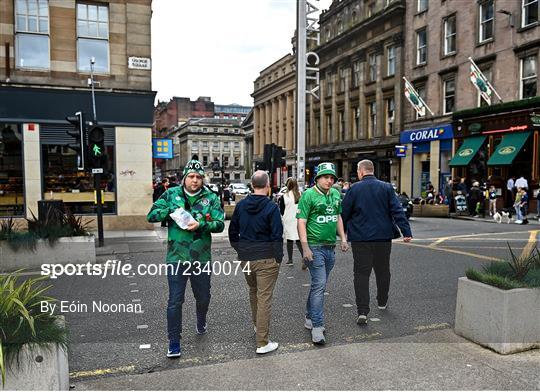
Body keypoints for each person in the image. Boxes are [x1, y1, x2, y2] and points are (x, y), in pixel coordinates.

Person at [146, 159, 225, 358]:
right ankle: (174, 342)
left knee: (203, 297)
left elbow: (219, 224)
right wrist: (169, 212)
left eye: (199, 177)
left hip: (201, 258)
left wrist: (201, 225)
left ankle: (201, 319)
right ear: (184, 178)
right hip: (176, 258)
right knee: (175, 301)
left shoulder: (211, 197)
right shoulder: (171, 194)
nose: (195, 180)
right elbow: (151, 215)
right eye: (191, 176)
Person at [341, 160, 412, 325]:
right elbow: (397, 210)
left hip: (360, 239)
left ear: (360, 172)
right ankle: (382, 300)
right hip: (383, 237)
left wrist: (340, 234)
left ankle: (363, 311)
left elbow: (344, 213)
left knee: (361, 274)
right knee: (383, 270)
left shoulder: (354, 189)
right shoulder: (386, 187)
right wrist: (406, 232)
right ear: (372, 171)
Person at [228, 171, 283, 354]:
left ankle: (256, 326)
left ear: (252, 185)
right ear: (268, 186)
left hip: (246, 258)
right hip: (266, 258)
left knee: (254, 292)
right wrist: (278, 258)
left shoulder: (241, 205)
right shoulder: (272, 207)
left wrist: (240, 250)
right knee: (264, 298)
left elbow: (232, 232)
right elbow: (276, 236)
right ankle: (262, 342)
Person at [297, 162, 348, 345]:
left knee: (319, 285)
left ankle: (309, 317)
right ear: (317, 178)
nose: (329, 180)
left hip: (330, 247)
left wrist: (343, 238)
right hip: (314, 246)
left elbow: (337, 217)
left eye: (332, 177)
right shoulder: (309, 195)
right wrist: (305, 248)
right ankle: (317, 326)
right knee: (319, 285)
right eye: (326, 177)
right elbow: (301, 222)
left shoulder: (335, 194)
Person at [278, 178, 304, 268]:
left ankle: (290, 260)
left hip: (288, 220)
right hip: (298, 219)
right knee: (298, 239)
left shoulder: (284, 196)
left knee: (289, 240)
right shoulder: (300, 195)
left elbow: (281, 210)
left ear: (287, 185)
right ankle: (304, 257)